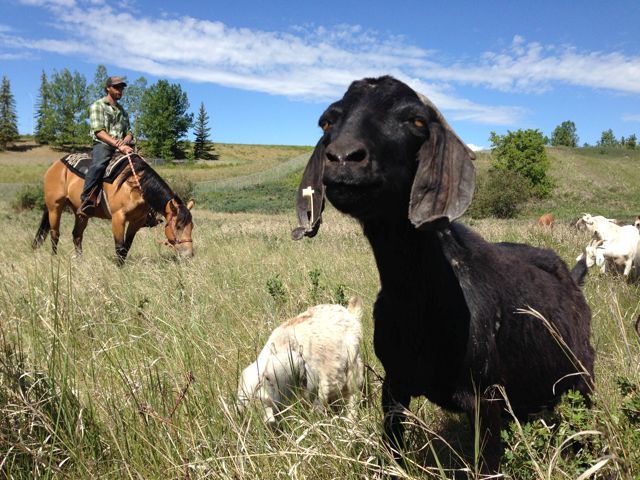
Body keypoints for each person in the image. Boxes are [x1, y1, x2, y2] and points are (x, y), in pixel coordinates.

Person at [77, 75, 134, 217]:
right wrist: (117, 144)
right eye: (116, 87)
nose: (119, 90)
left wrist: (125, 141)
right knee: (99, 165)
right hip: (104, 144)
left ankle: (144, 208)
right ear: (108, 88)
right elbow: (99, 131)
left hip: (122, 146)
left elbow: (130, 132)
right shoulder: (98, 105)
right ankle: (86, 200)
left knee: (141, 166)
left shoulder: (123, 111)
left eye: (121, 87)